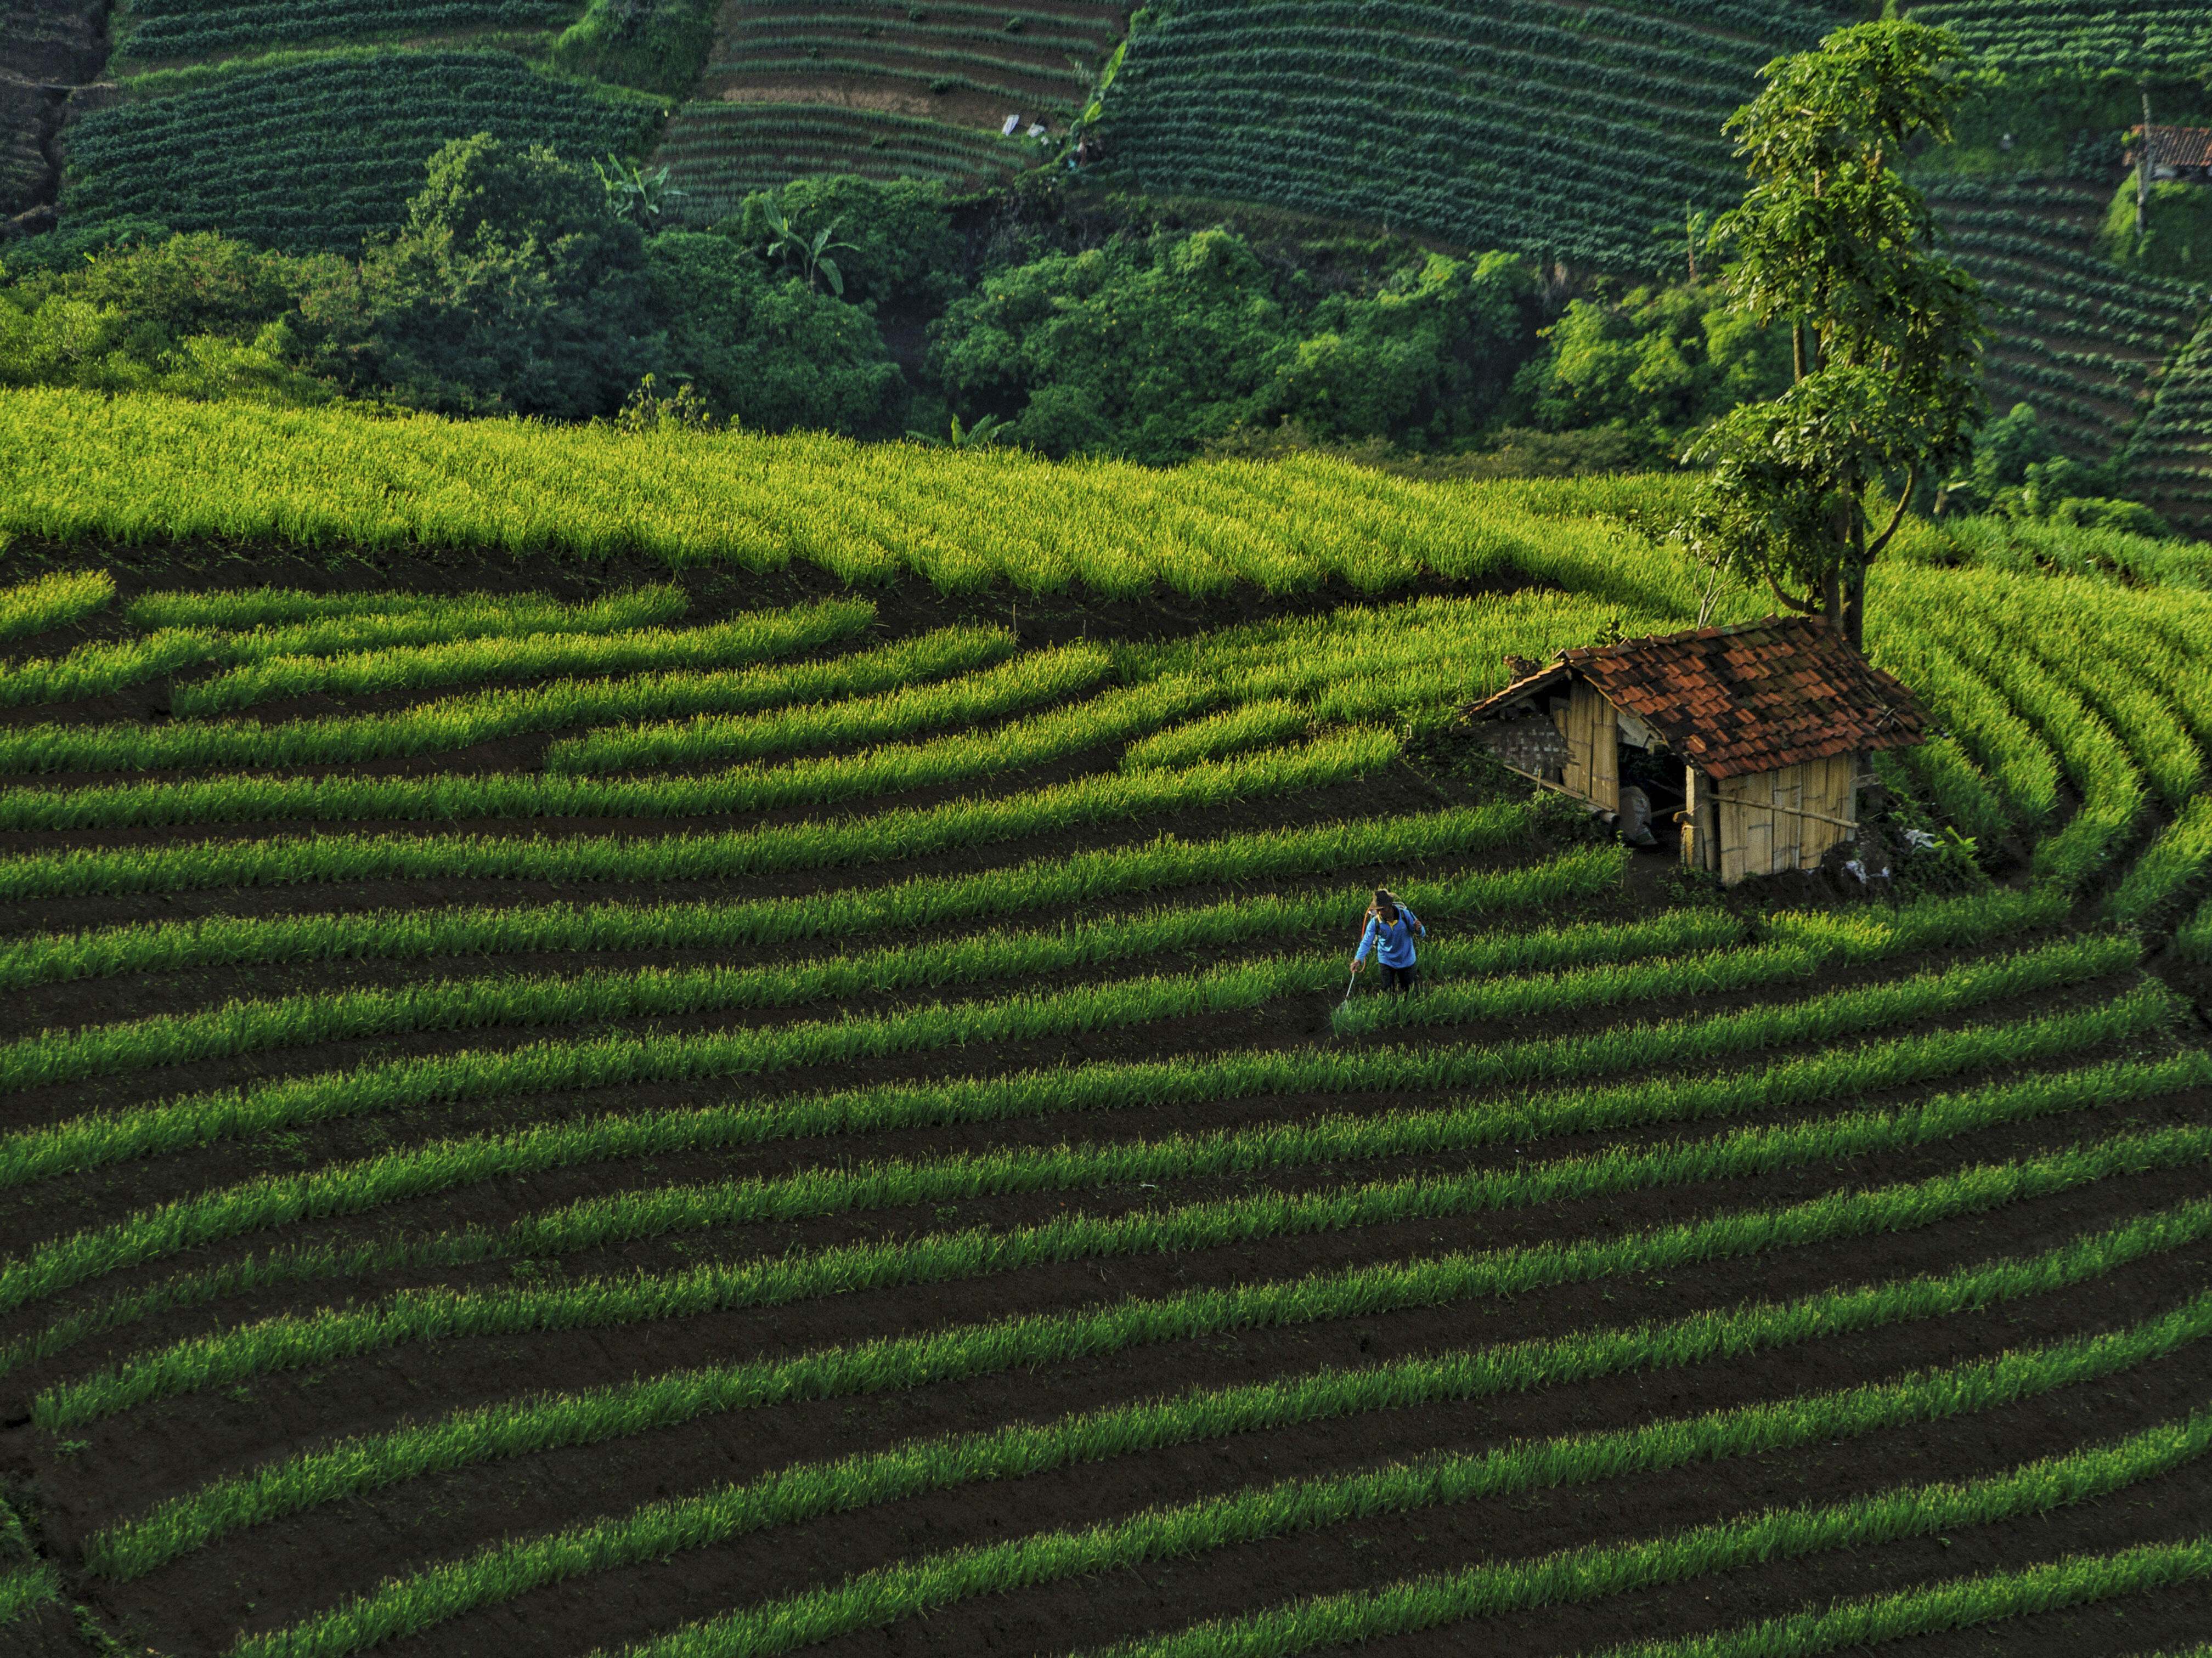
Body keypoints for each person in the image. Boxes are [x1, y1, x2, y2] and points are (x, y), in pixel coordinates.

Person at [1350, 887, 1426, 993]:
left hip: (1407, 959)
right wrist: (1358, 959)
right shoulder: (1375, 923)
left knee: (1410, 992)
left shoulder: (1405, 915)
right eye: (1378, 910)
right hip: (1386, 960)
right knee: (1387, 992)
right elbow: (1366, 942)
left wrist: (1419, 930)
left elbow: (1422, 933)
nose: (1381, 912)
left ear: (1390, 907)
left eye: (1383, 909)